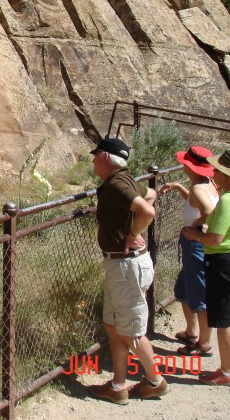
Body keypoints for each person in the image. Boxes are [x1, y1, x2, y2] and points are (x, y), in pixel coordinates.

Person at [86, 137, 169, 405]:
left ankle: (155, 382)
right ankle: (118, 386)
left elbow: (147, 209)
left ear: (106, 157)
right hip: (120, 265)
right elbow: (151, 194)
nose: (93, 160)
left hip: (127, 265)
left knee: (131, 332)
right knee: (113, 326)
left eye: (96, 154)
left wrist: (133, 232)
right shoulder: (123, 180)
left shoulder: (118, 183)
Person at [181, 147, 230, 385]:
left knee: (223, 322)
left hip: (223, 261)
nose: (213, 173)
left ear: (226, 174)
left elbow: (215, 239)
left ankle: (226, 372)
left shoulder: (228, 201)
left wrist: (195, 236)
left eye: (218, 170)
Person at [158, 146, 218, 356]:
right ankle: (192, 332)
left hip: (195, 245)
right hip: (197, 245)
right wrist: (178, 187)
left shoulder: (198, 188)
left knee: (198, 292)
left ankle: (204, 343)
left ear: (191, 166)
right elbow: (196, 203)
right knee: (183, 289)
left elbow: (208, 212)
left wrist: (194, 227)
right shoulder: (207, 184)